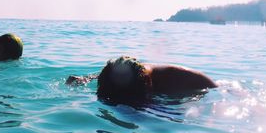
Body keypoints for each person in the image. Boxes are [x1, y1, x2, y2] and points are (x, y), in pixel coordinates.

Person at [66, 56, 217, 103]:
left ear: (148, 84)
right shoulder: (117, 73)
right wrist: (86, 78)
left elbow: (215, 90)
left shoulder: (185, 78)